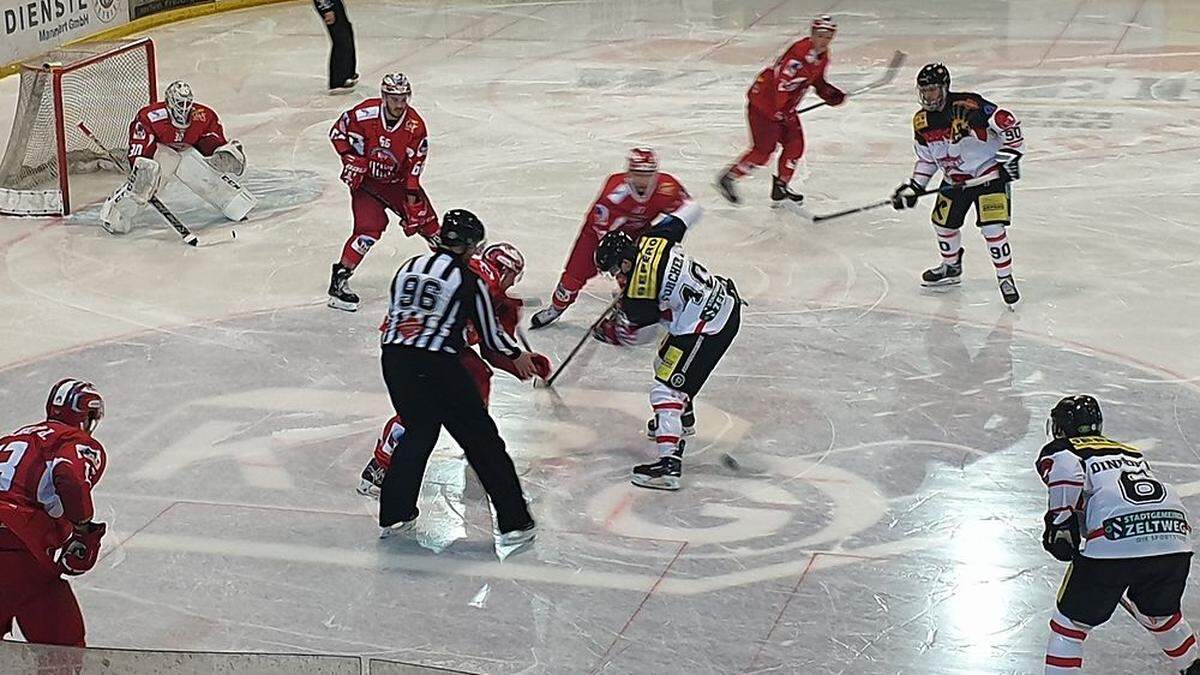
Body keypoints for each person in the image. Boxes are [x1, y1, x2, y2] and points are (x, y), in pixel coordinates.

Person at [377, 210, 547, 546]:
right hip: (438, 362)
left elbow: (400, 316)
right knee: (482, 441)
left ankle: (395, 515)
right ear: (470, 246)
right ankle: (515, 521)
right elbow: (491, 339)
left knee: (419, 431)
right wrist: (519, 357)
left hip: (394, 358)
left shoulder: (408, 267)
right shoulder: (470, 279)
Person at [358, 242, 549, 496]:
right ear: (503, 269)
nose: (512, 284)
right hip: (424, 347)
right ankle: (384, 465)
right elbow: (494, 341)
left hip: (407, 343)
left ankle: (385, 465)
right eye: (513, 276)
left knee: (469, 380)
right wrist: (518, 358)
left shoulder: (489, 290)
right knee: (424, 409)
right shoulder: (485, 281)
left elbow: (490, 350)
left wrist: (520, 363)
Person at [1037, 395, 1200, 674]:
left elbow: (1066, 470)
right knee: (1161, 616)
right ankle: (1192, 667)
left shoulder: (1064, 448)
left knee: (1069, 625)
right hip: (1174, 537)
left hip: (1116, 539)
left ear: (1060, 427)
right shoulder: (1129, 452)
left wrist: (1060, 525)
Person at [591, 214, 741, 490]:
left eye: (616, 271)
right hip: (719, 299)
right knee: (665, 359)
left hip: (709, 326)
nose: (616, 277)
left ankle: (668, 464)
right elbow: (684, 216)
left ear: (625, 262)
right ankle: (682, 417)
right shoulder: (652, 238)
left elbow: (639, 336)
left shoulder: (638, 295)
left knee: (665, 390)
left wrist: (609, 332)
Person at [890, 62, 1025, 306]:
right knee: (942, 225)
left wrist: (1012, 153)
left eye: (932, 90)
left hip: (988, 177)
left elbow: (1006, 120)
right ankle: (951, 266)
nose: (928, 96)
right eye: (924, 91)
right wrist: (915, 187)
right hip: (954, 180)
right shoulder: (921, 122)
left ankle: (1005, 278)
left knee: (992, 229)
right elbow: (927, 159)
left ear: (944, 88)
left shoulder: (968, 105)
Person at [529, 147, 699, 329]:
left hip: (638, 234)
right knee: (575, 273)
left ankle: (627, 306)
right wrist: (618, 258)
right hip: (598, 236)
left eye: (648, 174)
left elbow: (690, 209)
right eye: (638, 174)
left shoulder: (668, 187)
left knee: (641, 274)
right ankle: (557, 307)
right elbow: (600, 225)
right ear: (629, 173)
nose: (643, 180)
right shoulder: (615, 191)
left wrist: (664, 235)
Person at [0, 379, 108, 647]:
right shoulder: (75, 441)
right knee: (64, 652)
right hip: (18, 549)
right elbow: (69, 474)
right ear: (86, 415)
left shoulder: (13, 437)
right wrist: (83, 529)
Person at [327, 73, 438, 312]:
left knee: (429, 225)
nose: (400, 104)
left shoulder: (415, 126)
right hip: (367, 183)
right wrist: (350, 158)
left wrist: (412, 198)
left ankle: (462, 278)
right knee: (368, 230)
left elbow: (416, 163)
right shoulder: (364, 114)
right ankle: (339, 282)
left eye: (403, 98)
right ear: (385, 96)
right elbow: (337, 133)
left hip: (397, 184)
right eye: (395, 99)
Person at [716, 15, 845, 207]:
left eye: (828, 37)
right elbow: (780, 85)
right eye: (820, 35)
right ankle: (729, 177)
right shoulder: (798, 56)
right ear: (812, 34)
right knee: (763, 151)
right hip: (764, 106)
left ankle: (780, 187)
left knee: (795, 145)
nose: (824, 41)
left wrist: (829, 93)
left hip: (784, 109)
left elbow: (816, 81)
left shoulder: (822, 56)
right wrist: (779, 111)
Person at [101, 80, 255, 235]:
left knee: (199, 171)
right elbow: (140, 145)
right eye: (180, 103)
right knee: (148, 177)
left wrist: (220, 153)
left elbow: (211, 142)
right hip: (160, 154)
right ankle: (115, 214)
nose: (184, 108)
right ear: (169, 102)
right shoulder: (150, 116)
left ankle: (233, 202)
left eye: (187, 103)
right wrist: (140, 166)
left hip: (185, 151)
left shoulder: (204, 116)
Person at [314, 0, 357, 91]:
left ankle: (347, 73)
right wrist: (326, 9)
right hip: (328, 4)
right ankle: (338, 80)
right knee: (341, 39)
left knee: (346, 34)